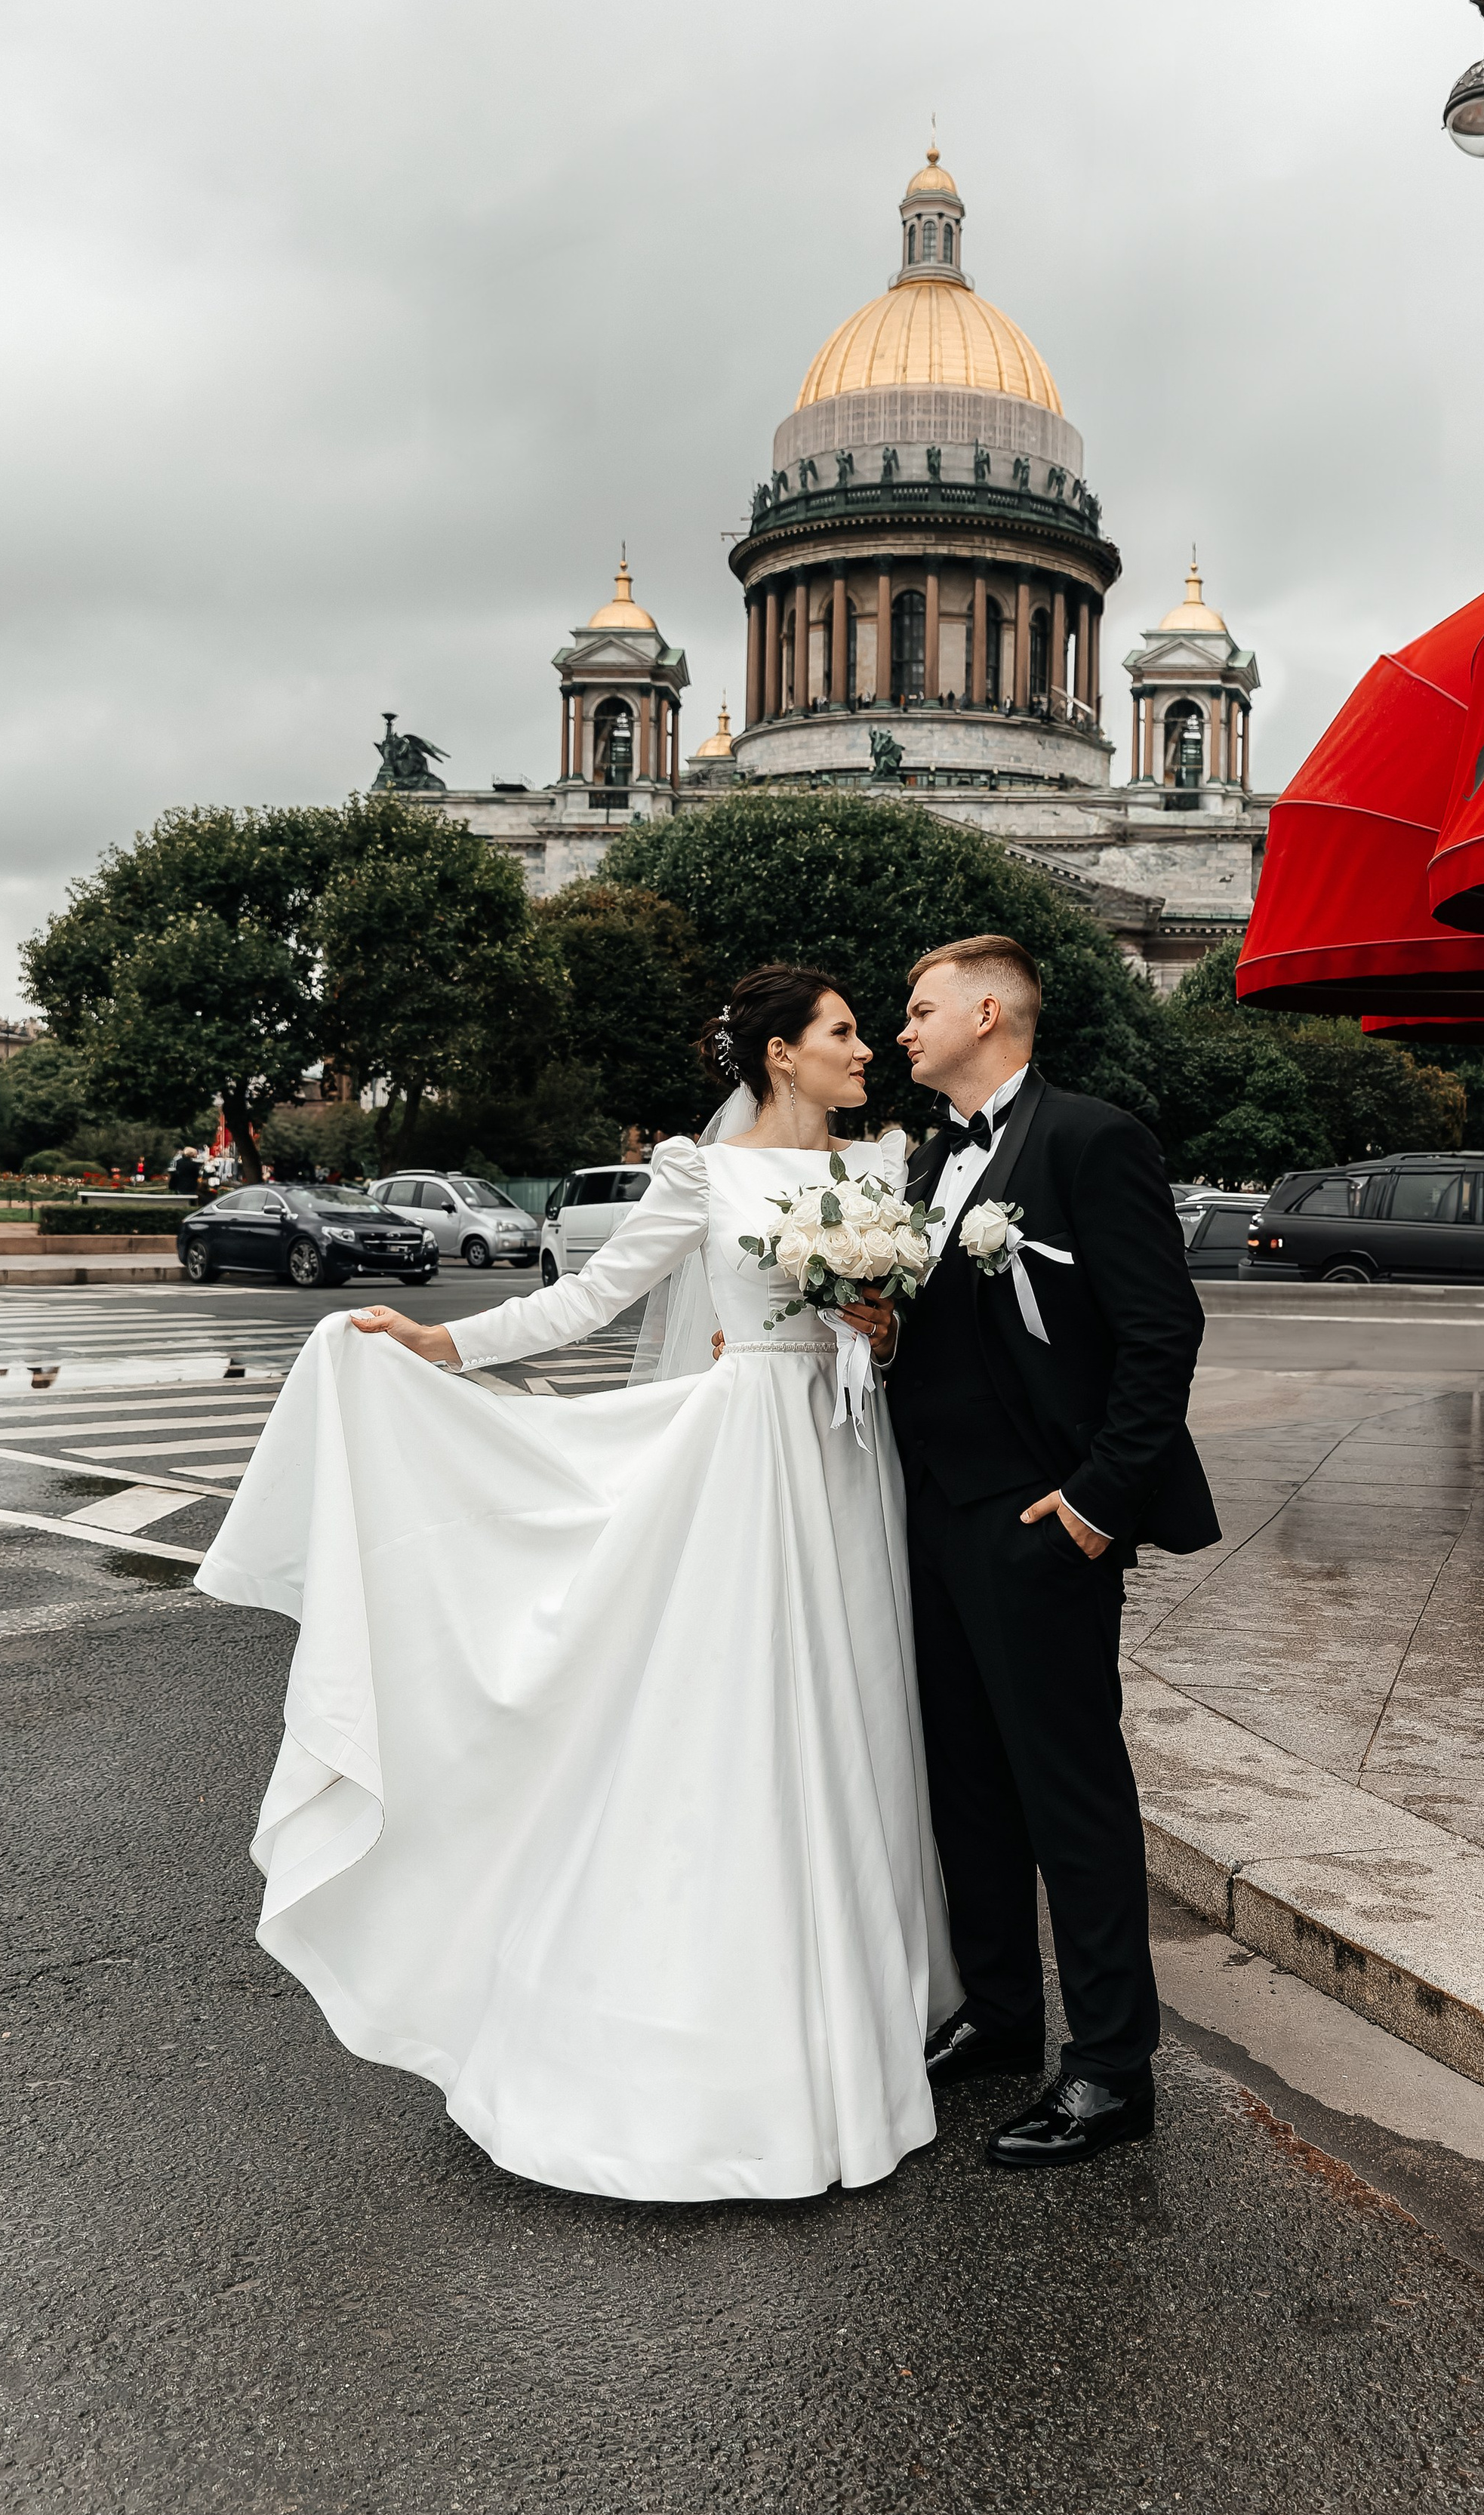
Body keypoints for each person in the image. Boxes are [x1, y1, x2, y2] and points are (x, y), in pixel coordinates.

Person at [195, 967, 957, 2205]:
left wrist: (880, 1325)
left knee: (863, 1708)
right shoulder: (700, 1175)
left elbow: (905, 1325)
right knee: (745, 1725)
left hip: (853, 1462)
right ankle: (724, 2046)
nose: (867, 1049)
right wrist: (448, 1342)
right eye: (843, 1033)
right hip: (750, 1456)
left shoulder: (881, 1170)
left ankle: (870, 2007)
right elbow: (597, 1297)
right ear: (779, 1054)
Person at [881, 934, 1218, 2169]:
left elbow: (1160, 1331)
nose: (902, 1030)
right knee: (966, 1781)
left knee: (1068, 1790)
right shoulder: (928, 1161)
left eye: (918, 1010)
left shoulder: (1090, 1136)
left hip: (1041, 1521)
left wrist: (1093, 1503)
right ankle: (1005, 2017)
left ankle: (1112, 2068)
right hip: (935, 1516)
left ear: (987, 1011)